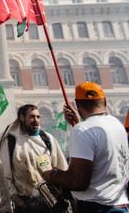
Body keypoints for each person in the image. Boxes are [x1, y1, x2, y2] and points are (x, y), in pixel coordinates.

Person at [43, 82, 129, 212]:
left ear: (78, 105)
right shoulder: (116, 124)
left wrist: (51, 175)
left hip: (96, 207)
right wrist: (79, 123)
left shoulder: (83, 130)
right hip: (121, 204)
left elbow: (78, 181)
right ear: (104, 101)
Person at [0, 104, 69, 213]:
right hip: (26, 203)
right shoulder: (11, 141)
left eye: (38, 117)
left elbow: (61, 168)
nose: (36, 120)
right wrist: (20, 203)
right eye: (31, 117)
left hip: (52, 202)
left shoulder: (47, 139)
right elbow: (5, 176)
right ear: (21, 117)